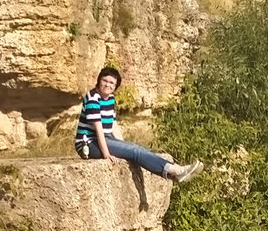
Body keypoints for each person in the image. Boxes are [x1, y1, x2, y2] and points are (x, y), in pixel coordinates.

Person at [74, 66, 202, 183]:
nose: (108, 85)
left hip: (104, 138)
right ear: (99, 80)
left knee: (133, 148)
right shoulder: (93, 98)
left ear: (116, 86)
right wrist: (107, 154)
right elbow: (99, 130)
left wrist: (123, 145)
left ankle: (172, 175)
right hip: (89, 144)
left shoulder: (110, 98)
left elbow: (113, 124)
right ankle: (177, 171)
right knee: (134, 151)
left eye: (112, 83)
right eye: (105, 81)